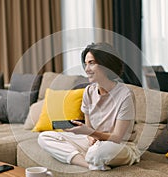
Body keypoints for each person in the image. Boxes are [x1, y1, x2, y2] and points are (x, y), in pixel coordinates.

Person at [38, 42, 141, 170]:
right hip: (95, 143)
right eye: (85, 64)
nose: (86, 69)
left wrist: (90, 133)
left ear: (106, 65)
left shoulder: (125, 95)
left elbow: (117, 137)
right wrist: (88, 135)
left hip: (119, 146)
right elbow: (89, 127)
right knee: (44, 137)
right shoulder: (88, 91)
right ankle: (88, 164)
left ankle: (91, 157)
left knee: (100, 152)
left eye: (91, 63)